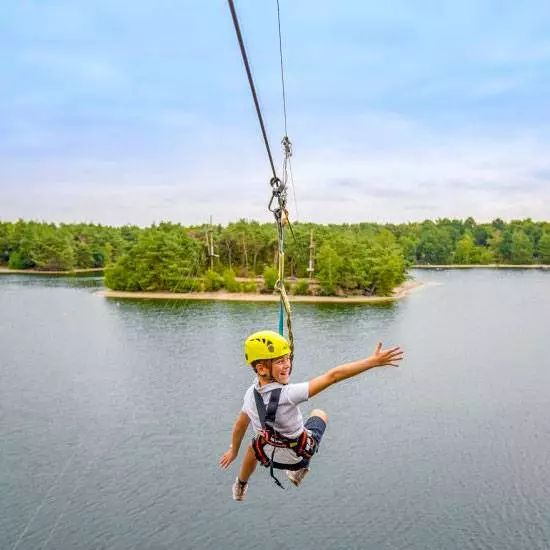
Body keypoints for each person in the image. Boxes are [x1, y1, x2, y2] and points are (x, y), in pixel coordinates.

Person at [219, 330, 404, 501]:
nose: (288, 365)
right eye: (280, 361)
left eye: (287, 359)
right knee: (319, 413)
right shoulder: (289, 394)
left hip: (267, 453)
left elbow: (240, 425)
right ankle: (298, 472)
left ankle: (240, 485)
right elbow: (333, 376)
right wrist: (373, 361)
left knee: (253, 446)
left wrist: (233, 450)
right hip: (297, 456)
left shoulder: (250, 394)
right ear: (261, 369)